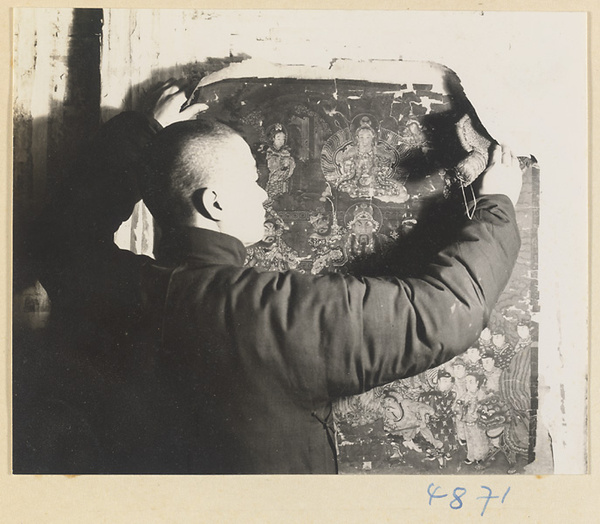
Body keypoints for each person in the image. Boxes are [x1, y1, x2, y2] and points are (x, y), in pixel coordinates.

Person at [28, 80, 522, 474]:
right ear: (214, 202)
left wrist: (148, 138)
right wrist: (498, 203)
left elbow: (62, 236)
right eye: (252, 179)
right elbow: (441, 315)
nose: (265, 195)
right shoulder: (262, 312)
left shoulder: (113, 287)